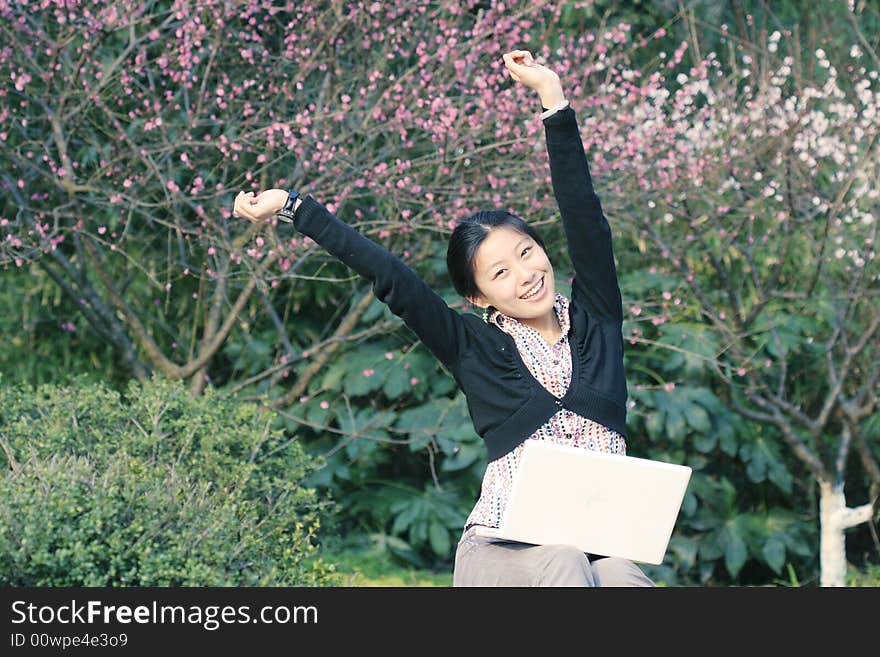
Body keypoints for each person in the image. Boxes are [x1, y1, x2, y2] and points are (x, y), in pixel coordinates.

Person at [233, 50, 654, 587]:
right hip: (502, 554)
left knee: (622, 576)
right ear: (479, 297)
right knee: (564, 559)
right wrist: (295, 208)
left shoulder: (598, 322)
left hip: (595, 551)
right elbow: (393, 279)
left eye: (526, 253)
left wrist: (552, 96)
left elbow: (584, 215)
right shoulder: (471, 346)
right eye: (500, 272)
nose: (525, 275)